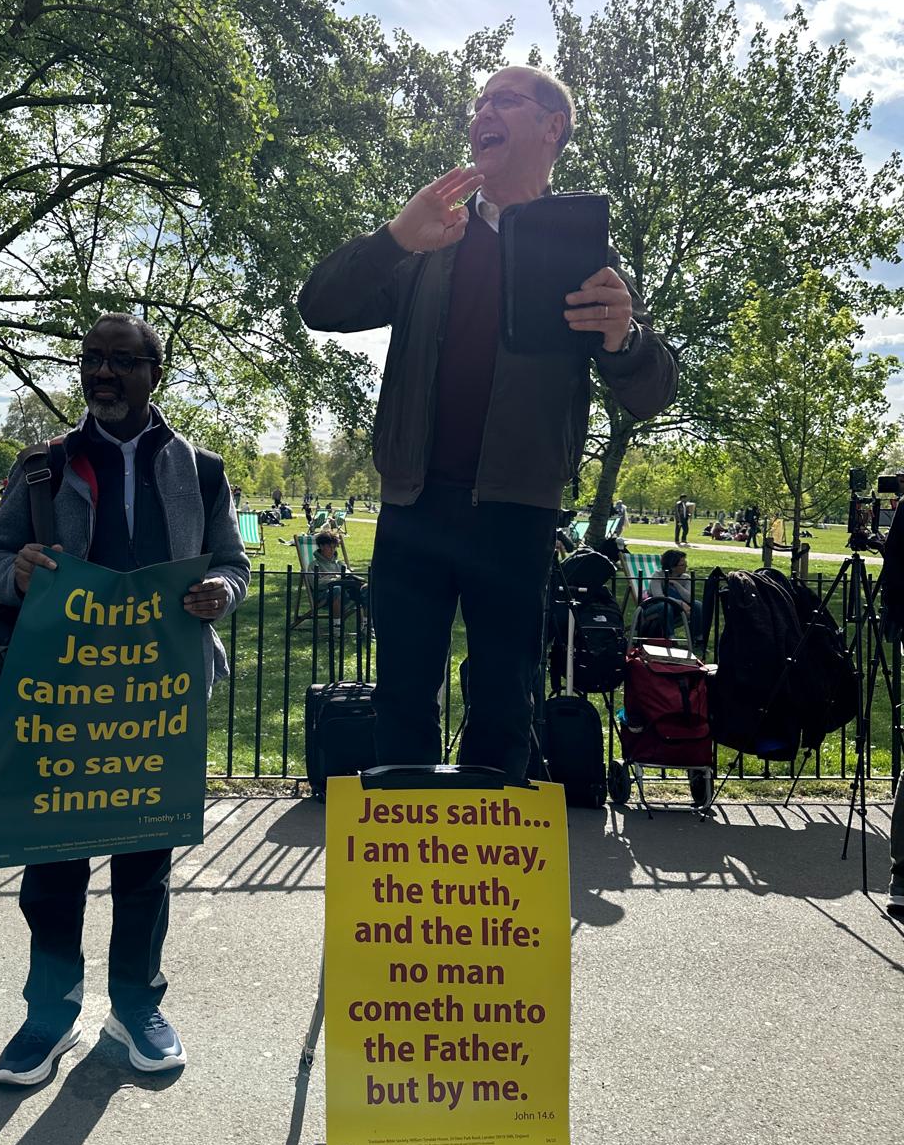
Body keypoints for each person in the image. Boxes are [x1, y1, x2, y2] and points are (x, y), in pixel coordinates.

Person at [299, 64, 677, 780]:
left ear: (552, 127)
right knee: (401, 704)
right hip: (413, 509)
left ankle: (489, 850)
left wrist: (623, 337)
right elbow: (319, 306)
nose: (481, 114)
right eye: (477, 104)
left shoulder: (583, 255)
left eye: (503, 100)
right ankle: (408, 852)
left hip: (517, 517)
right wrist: (394, 237)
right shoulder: (431, 238)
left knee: (505, 707)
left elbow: (652, 392)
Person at [0, 312, 250, 1087]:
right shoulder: (42, 466)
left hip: (158, 701)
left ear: (155, 372)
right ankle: (50, 1014)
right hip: (60, 700)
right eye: (91, 358)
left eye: (122, 361)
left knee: (144, 865)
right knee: (52, 868)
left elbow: (233, 563)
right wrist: (15, 571)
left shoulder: (203, 470)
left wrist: (220, 591)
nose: (102, 372)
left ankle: (135, 1006)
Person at [641, 550, 704, 645]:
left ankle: (698, 638)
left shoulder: (685, 577)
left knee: (697, 605)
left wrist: (676, 584)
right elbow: (659, 597)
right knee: (665, 605)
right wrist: (680, 603)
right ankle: (670, 638)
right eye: (682, 564)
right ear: (672, 567)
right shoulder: (658, 576)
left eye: (685, 563)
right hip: (654, 607)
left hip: (675, 610)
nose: (686, 566)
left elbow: (689, 599)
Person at [310, 530, 367, 615]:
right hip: (324, 595)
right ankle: (336, 622)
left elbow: (348, 575)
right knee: (337, 589)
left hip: (345, 592)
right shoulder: (314, 565)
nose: (332, 550)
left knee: (366, 588)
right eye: (329, 547)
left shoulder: (339, 564)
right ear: (321, 546)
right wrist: (336, 579)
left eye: (334, 547)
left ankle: (366, 621)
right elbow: (316, 584)